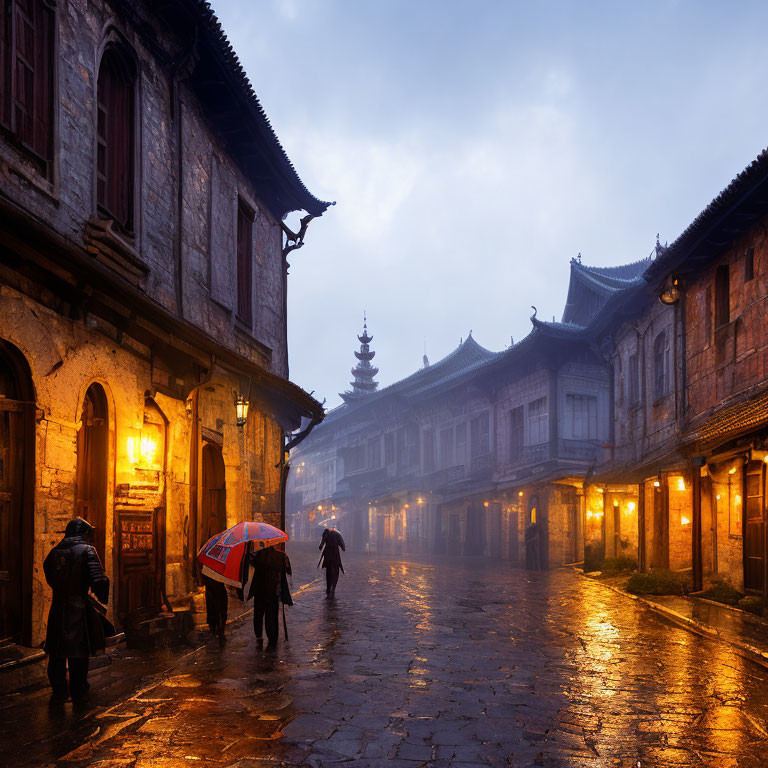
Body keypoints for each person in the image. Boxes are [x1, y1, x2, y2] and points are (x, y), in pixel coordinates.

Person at [43, 517, 109, 702]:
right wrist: (102, 598)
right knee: (78, 651)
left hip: (58, 605)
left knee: (56, 650)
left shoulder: (54, 551)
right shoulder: (88, 551)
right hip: (78, 606)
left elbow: (49, 574)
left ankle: (59, 690)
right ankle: (78, 688)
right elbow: (99, 579)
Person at [248, 544, 291, 649]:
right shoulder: (280, 556)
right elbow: (288, 570)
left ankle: (259, 635)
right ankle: (273, 637)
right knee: (272, 615)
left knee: (258, 614)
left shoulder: (258, 555)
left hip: (259, 591)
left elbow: (250, 561)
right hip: (273, 591)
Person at [202, 573, 228, 646]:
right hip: (216, 588)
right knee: (219, 610)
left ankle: (216, 629)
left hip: (213, 588)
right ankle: (219, 630)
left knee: (216, 609)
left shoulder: (207, 565)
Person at [319, 527, 345, 599]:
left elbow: (321, 546)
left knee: (328, 573)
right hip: (335, 556)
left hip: (327, 556)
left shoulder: (326, 533)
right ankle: (333, 587)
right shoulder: (337, 535)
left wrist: (322, 545)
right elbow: (343, 547)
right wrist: (343, 548)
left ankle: (328, 588)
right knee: (336, 572)